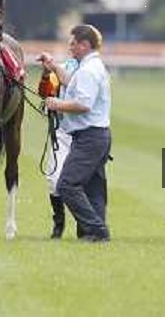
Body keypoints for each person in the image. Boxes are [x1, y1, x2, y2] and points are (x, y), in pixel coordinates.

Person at [43, 25, 112, 242]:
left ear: (84, 45)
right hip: (98, 135)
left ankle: (97, 229)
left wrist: (57, 104)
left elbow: (83, 104)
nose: (70, 47)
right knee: (94, 189)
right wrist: (53, 67)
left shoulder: (89, 71)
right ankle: (92, 233)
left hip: (89, 137)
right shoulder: (90, 67)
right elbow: (71, 82)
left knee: (67, 185)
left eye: (73, 43)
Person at [37, 54, 80, 238]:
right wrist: (46, 74)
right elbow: (44, 92)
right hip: (61, 133)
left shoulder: (94, 70)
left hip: (83, 133)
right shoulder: (63, 66)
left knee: (80, 183)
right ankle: (58, 222)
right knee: (54, 181)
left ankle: (83, 224)